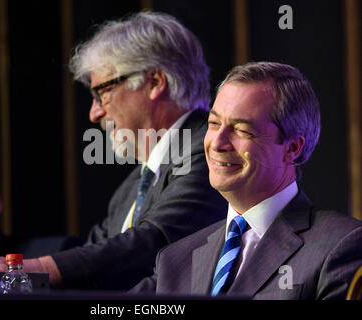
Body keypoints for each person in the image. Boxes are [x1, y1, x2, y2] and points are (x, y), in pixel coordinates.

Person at [0, 11, 227, 290]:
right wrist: (17, 274)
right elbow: (94, 255)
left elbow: (156, 243)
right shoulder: (132, 186)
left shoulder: (209, 149)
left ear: (155, 82)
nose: (94, 113)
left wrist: (31, 269)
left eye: (102, 93)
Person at [131, 61, 362, 299]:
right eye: (214, 124)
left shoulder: (341, 245)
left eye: (242, 130)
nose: (217, 143)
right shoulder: (175, 260)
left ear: (292, 148)